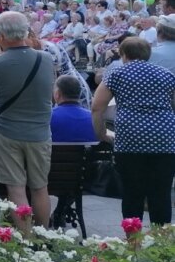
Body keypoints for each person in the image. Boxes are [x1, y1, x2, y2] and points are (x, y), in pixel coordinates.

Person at [0, 11, 55, 230]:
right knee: (40, 187)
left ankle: (26, 239)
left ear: (2, 36)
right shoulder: (45, 59)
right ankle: (44, 238)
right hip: (40, 132)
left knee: (16, 188)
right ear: (25, 32)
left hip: (8, 131)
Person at [92, 37, 175, 225]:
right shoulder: (166, 74)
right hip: (164, 138)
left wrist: (101, 133)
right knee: (160, 193)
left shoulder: (117, 74)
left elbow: (97, 106)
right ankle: (161, 243)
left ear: (123, 54)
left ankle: (133, 241)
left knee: (132, 192)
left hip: (130, 138)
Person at [50, 75, 97, 142]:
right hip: (85, 152)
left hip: (55, 152)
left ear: (57, 94)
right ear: (80, 93)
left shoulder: (48, 117)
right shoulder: (94, 119)